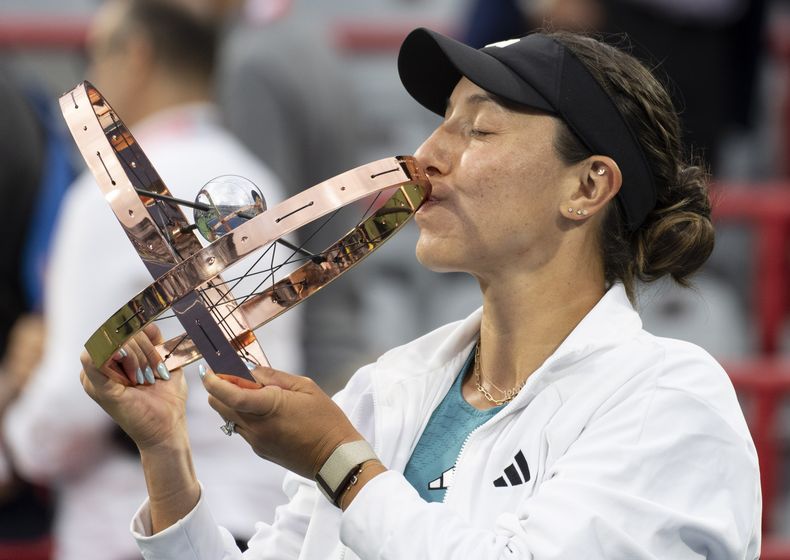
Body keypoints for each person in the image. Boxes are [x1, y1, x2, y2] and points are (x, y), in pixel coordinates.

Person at [80, 27, 761, 559]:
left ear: (588, 187)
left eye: (481, 128)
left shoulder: (670, 403)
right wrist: (166, 455)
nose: (426, 154)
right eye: (442, 120)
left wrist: (339, 461)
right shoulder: (388, 389)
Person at [3, 1, 301, 559]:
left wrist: (17, 447)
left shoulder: (111, 195)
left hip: (140, 523)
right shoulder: (255, 180)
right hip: (259, 514)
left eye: (92, 55)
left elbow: (75, 392)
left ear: (135, 55)